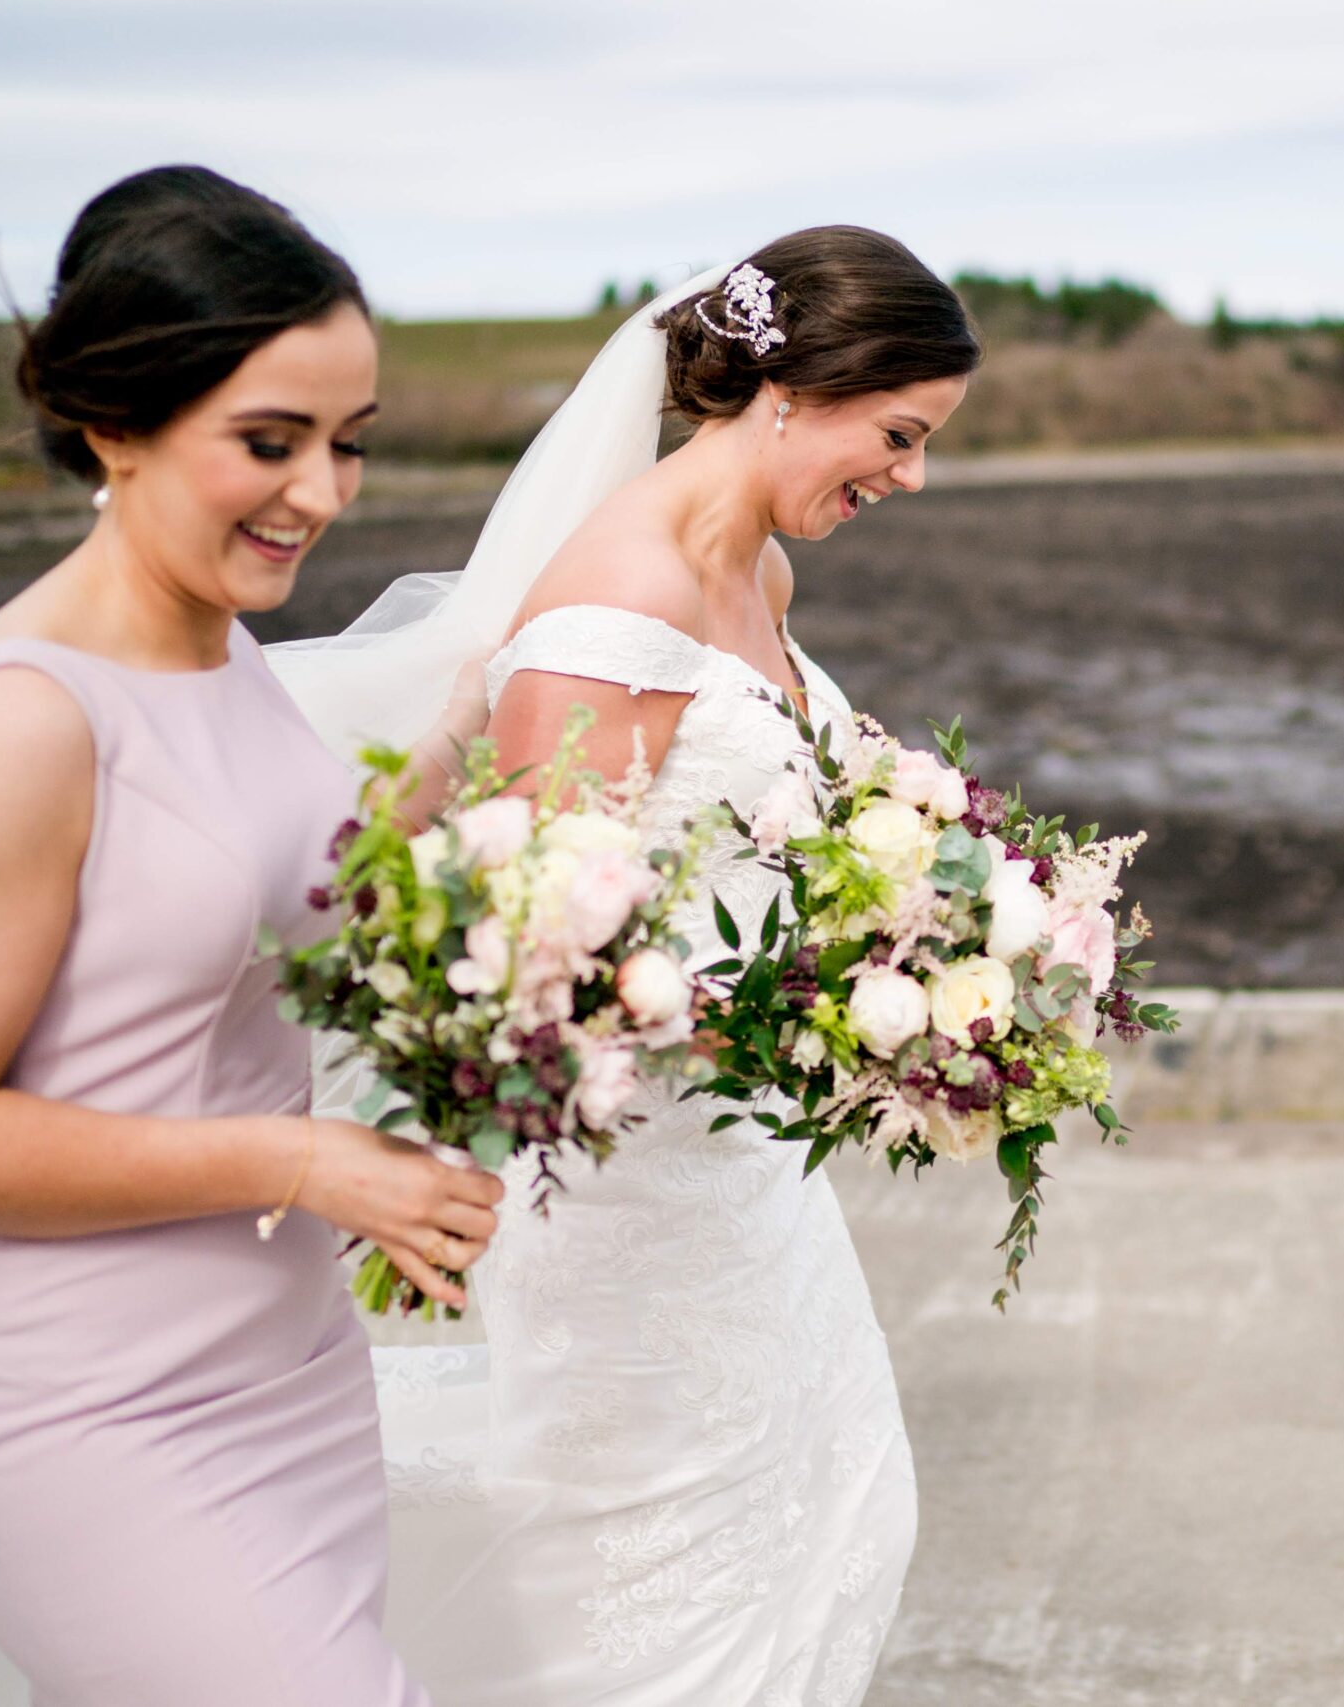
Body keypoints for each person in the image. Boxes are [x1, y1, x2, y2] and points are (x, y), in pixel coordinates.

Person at [0, 164, 499, 1705]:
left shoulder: (226, 654)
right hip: (93, 1419)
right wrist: (306, 1163)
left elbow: (286, 902)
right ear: (115, 426)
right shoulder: (20, 722)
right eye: (269, 443)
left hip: (290, 1378)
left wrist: (473, 757)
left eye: (347, 444)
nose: (320, 492)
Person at [370, 228, 977, 1706]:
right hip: (623, 1197)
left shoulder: (754, 568)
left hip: (743, 1176)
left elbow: (745, 837)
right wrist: (768, 1009)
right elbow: (520, 960)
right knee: (656, 1601)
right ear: (792, 387)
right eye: (897, 435)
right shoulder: (616, 605)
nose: (908, 476)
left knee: (840, 1516)